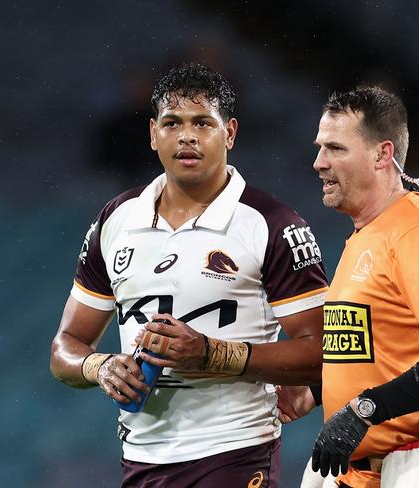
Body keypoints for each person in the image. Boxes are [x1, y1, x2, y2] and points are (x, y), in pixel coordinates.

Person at [50, 62, 328, 488]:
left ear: (230, 133)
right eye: (172, 123)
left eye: (203, 122)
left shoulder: (271, 224)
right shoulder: (117, 220)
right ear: (152, 134)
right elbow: (65, 349)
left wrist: (212, 354)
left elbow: (323, 353)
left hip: (235, 452)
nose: (187, 136)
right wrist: (100, 367)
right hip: (140, 458)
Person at [277, 86, 419, 488]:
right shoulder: (366, 234)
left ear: (382, 154)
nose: (318, 163)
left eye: (335, 149)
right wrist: (314, 391)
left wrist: (363, 410)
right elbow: (376, 350)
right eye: (320, 148)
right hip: (365, 475)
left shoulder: (418, 233)